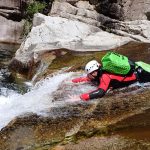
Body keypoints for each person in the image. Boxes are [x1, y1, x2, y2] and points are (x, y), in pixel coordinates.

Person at [70, 59, 150, 101]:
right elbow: (86, 79)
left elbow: (100, 92)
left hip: (143, 75)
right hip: (139, 66)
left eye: (89, 74)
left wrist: (80, 97)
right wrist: (72, 81)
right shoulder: (101, 69)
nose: (88, 76)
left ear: (94, 73)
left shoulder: (105, 76)